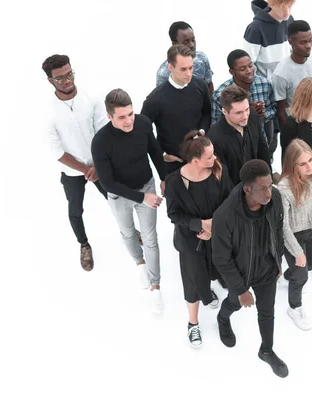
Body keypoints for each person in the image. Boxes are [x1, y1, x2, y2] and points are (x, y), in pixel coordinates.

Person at [91, 89, 167, 314]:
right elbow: (107, 183)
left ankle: (156, 286)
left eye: (130, 114)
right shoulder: (100, 142)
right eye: (122, 117)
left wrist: (163, 178)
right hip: (120, 195)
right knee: (127, 232)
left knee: (151, 238)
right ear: (110, 116)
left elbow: (155, 151)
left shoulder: (143, 123)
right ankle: (139, 262)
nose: (128, 120)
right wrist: (142, 199)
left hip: (146, 185)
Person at [212, 159, 288, 378]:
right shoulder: (224, 216)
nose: (268, 193)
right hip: (241, 274)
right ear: (247, 189)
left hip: (266, 270)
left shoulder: (275, 199)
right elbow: (221, 259)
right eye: (262, 188)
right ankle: (223, 318)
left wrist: (278, 262)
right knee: (234, 303)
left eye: (270, 186)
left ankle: (266, 350)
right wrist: (241, 290)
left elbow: (278, 232)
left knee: (267, 311)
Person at [42, 54, 114, 271]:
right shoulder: (49, 113)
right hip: (72, 171)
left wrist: (99, 166)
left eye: (69, 74)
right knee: (75, 210)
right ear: (50, 81)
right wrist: (85, 169)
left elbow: (103, 131)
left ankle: (129, 231)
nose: (67, 80)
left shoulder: (89, 98)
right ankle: (84, 244)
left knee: (115, 198)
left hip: (99, 165)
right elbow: (56, 151)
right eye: (60, 78)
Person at [164, 131, 233, 348]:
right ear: (195, 161)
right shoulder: (174, 181)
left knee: (216, 270)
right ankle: (192, 323)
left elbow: (230, 201)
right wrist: (200, 224)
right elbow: (174, 214)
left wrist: (214, 226)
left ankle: (208, 291)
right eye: (210, 156)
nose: (215, 159)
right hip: (190, 240)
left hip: (217, 235)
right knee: (192, 280)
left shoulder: (219, 170)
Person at [278, 140, 312, 330]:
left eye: (311, 160)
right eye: (303, 164)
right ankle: (295, 308)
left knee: (311, 265)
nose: (310, 166)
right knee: (302, 277)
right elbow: (282, 227)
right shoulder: (284, 189)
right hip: (293, 236)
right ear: (293, 166)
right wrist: (297, 253)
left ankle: (290, 273)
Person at [280, 78, 312, 277]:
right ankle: (296, 254)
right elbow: (286, 156)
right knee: (300, 211)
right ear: (304, 99)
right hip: (298, 173)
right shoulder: (292, 124)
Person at [142, 44, 211, 175]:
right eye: (183, 69)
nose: (189, 73)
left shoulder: (200, 85)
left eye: (191, 68)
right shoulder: (155, 99)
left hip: (201, 158)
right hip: (174, 166)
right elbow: (143, 131)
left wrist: (202, 131)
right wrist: (161, 154)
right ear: (170, 67)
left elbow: (206, 113)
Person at [243, 0, 296, 171]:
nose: (287, 11)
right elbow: (246, 65)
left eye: (290, 6)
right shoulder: (255, 29)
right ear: (272, 3)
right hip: (264, 96)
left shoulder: (290, 21)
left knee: (290, 141)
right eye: (283, 6)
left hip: (286, 94)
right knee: (268, 142)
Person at [207, 85, 270, 186]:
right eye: (239, 113)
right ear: (224, 111)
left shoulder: (253, 117)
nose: (245, 116)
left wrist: (267, 179)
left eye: (247, 109)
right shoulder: (215, 138)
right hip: (236, 190)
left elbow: (262, 149)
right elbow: (223, 178)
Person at [211, 50, 276, 144]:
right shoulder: (219, 95)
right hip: (233, 144)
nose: (249, 71)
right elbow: (216, 125)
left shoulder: (264, 84)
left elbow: (274, 109)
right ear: (232, 72)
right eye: (242, 69)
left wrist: (263, 114)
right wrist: (248, 114)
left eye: (251, 65)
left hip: (259, 141)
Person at [272, 20, 312, 129]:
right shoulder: (281, 74)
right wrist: (288, 137)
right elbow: (281, 112)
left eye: (310, 41)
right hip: (296, 124)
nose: (308, 46)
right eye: (303, 42)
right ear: (291, 42)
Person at [156, 21, 214, 96]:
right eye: (186, 42)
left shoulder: (202, 59)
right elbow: (161, 98)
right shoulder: (164, 72)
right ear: (174, 44)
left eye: (193, 40)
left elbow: (209, 86)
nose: (192, 45)